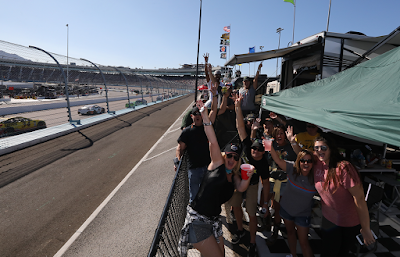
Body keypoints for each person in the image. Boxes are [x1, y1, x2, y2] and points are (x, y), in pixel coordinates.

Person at [179, 99, 254, 257]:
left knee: (221, 253)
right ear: (224, 155)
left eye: (235, 157)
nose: (231, 159)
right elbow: (212, 140)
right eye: (229, 155)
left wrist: (248, 174)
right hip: (198, 221)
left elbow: (241, 187)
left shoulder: (233, 176)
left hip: (213, 222)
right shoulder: (217, 163)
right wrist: (205, 116)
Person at [313, 135, 375, 257]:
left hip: (348, 222)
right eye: (317, 148)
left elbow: (360, 199)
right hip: (329, 219)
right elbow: (302, 153)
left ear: (331, 149)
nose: (320, 150)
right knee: (328, 252)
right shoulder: (318, 162)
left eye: (323, 147)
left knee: (341, 253)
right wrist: (293, 142)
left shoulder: (343, 168)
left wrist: (366, 229)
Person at [231, 94, 270, 257]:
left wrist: (266, 202)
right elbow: (240, 127)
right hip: (239, 181)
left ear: (263, 152)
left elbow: (266, 183)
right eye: (254, 149)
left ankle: (252, 241)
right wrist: (238, 107)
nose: (255, 152)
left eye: (259, 150)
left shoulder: (263, 163)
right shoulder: (247, 145)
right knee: (235, 205)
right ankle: (240, 230)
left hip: (253, 185)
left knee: (252, 213)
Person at [268, 128, 316, 257]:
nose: (305, 163)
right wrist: (269, 146)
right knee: (290, 233)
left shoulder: (316, 177)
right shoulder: (292, 168)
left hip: (303, 214)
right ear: (298, 162)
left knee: (304, 242)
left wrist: (292, 142)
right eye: (303, 161)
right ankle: (293, 254)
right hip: (286, 210)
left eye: (309, 161)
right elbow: (278, 161)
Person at [175, 82, 221, 202]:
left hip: (208, 166)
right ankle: (195, 216)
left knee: (208, 193)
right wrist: (178, 161)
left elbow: (214, 110)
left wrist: (215, 96)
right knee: (194, 195)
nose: (198, 116)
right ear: (191, 116)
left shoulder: (207, 125)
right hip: (193, 169)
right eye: (195, 114)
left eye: (199, 113)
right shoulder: (187, 132)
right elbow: (180, 148)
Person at [268, 125, 302, 242]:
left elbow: (301, 157)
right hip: (272, 179)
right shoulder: (271, 145)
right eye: (277, 133)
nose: (279, 136)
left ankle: (284, 230)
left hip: (287, 181)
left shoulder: (291, 147)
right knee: (272, 205)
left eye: (281, 133)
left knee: (283, 207)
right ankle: (273, 227)